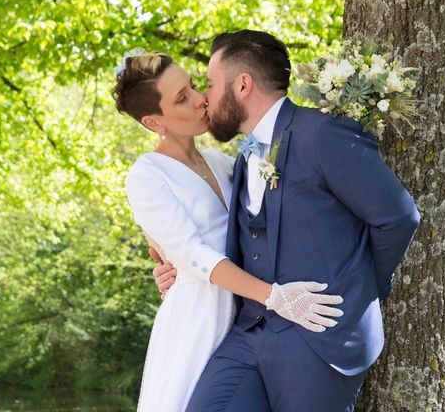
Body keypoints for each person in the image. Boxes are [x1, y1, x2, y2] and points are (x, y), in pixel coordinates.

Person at [155, 30, 421, 411]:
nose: (206, 98)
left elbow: (398, 216)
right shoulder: (243, 158)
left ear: (243, 85)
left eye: (212, 84)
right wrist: (178, 271)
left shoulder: (323, 133)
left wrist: (360, 288)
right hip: (248, 334)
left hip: (318, 337)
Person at [113, 52, 345, 412]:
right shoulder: (147, 175)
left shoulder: (224, 162)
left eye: (192, 85)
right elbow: (192, 254)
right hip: (199, 320)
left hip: (251, 319)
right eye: (181, 98)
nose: (200, 98)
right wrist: (276, 297)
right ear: (153, 121)